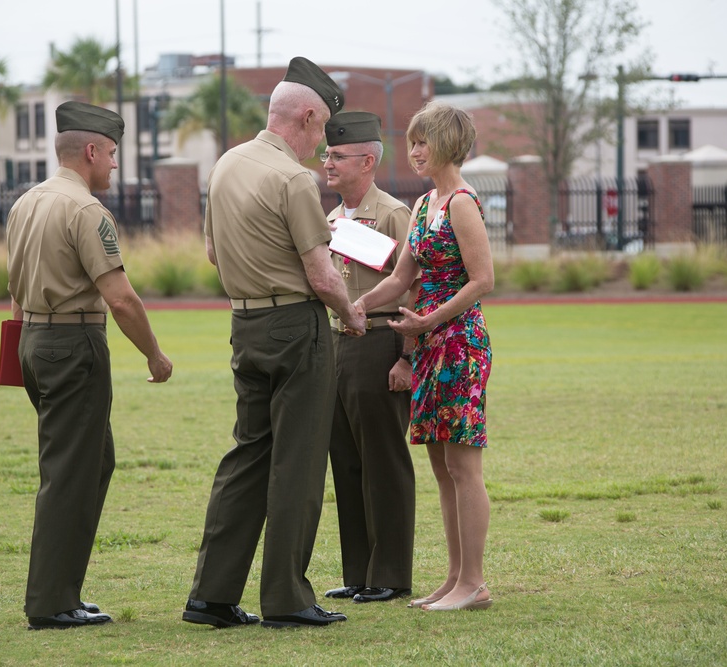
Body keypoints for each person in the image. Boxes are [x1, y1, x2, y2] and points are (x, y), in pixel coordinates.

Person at [182, 56, 365, 630]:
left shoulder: (227, 165)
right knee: (299, 464)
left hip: (244, 325)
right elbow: (320, 274)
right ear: (308, 115)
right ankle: (286, 597)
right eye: (322, 131)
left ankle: (211, 596)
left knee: (247, 457)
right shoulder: (291, 178)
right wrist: (351, 314)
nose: (321, 144)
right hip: (296, 327)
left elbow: (213, 253)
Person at [6, 100, 174, 631]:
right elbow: (120, 298)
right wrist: (154, 353)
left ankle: (61, 593)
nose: (116, 165)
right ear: (93, 151)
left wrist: (17, 356)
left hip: (34, 340)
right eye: (114, 154)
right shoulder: (86, 212)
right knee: (70, 472)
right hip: (72, 344)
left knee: (92, 461)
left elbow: (15, 292)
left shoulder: (25, 203)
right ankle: (51, 603)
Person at [353, 101, 494, 612]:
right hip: (431, 342)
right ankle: (455, 579)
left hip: (459, 344)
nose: (414, 151)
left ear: (448, 145)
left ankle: (474, 583)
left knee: (463, 466)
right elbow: (400, 279)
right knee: (441, 467)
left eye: (423, 141)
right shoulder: (422, 205)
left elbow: (483, 280)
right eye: (412, 141)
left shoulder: (461, 201)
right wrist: (358, 304)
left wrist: (428, 323)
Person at [319, 111, 417, 605]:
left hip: (382, 341)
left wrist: (407, 358)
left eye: (337, 156)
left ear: (367, 160)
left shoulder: (394, 215)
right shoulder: (332, 219)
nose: (327, 163)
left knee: (384, 461)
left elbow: (414, 289)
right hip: (338, 344)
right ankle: (359, 571)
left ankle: (392, 574)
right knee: (348, 462)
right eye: (327, 154)